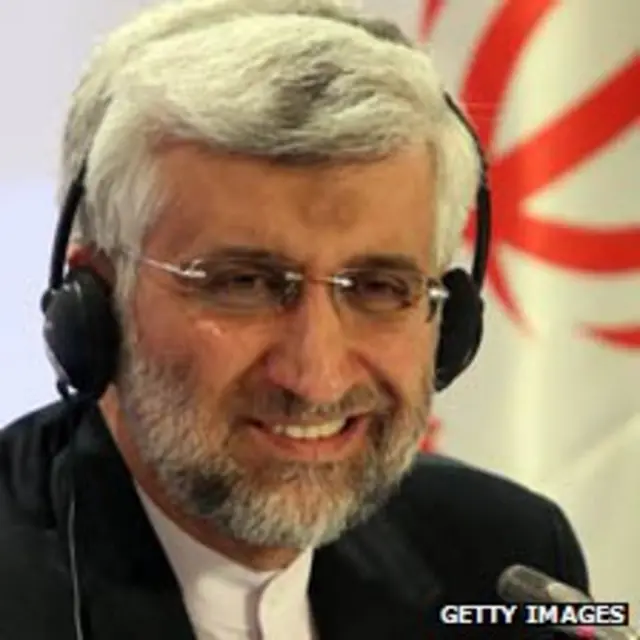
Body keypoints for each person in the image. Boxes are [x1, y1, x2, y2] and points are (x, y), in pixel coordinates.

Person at [0, 1, 589, 638]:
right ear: (97, 303)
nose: (316, 377)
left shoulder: (510, 559)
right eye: (243, 284)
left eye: (378, 288)